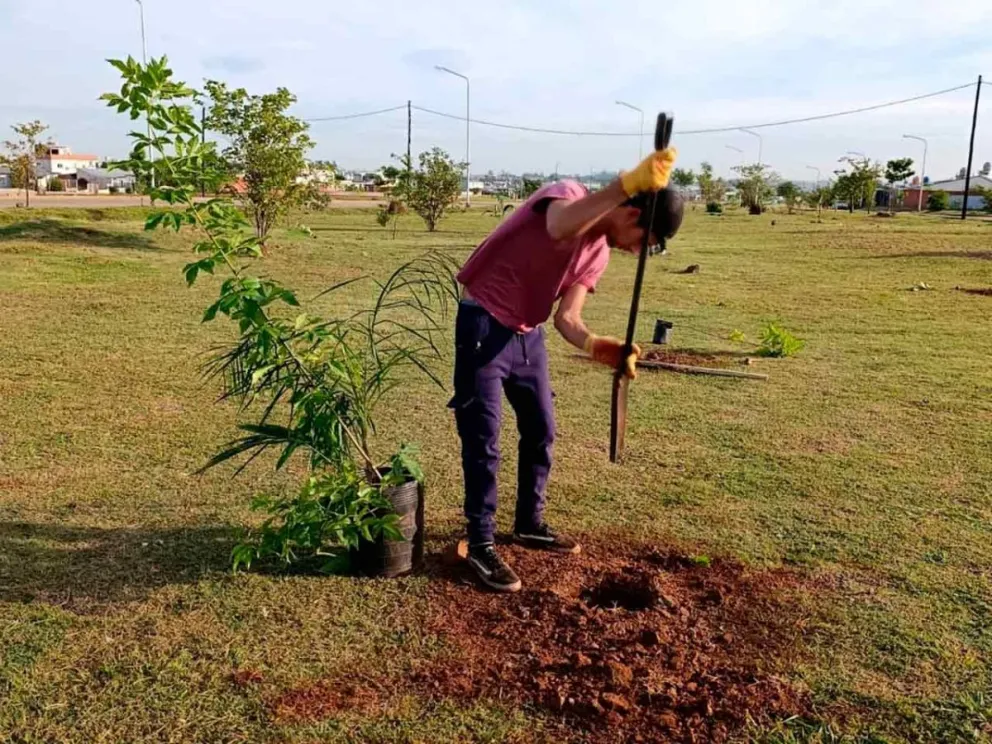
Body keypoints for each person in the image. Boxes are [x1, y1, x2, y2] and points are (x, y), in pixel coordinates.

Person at [449, 148, 682, 592]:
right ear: (631, 215)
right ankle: (480, 543)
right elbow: (558, 227)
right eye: (642, 242)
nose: (636, 251)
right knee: (484, 438)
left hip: (527, 334)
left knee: (541, 429)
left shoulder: (598, 255)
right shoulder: (566, 195)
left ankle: (528, 523)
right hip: (483, 321)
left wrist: (600, 347)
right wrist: (626, 185)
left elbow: (567, 319)